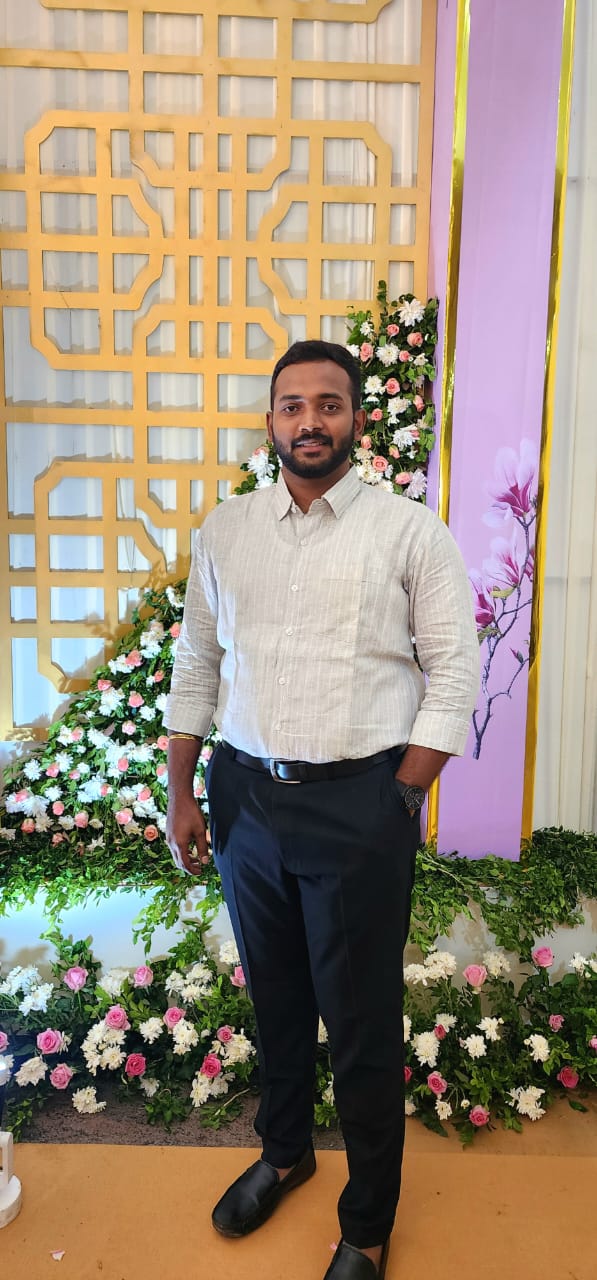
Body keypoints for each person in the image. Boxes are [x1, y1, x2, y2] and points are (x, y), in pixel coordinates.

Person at [165, 339, 479, 1280]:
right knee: (276, 998)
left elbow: (452, 672)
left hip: (359, 805)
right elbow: (197, 663)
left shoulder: (410, 533)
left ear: (356, 419)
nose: (310, 421)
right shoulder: (226, 531)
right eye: (293, 405)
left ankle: (368, 1222)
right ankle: (285, 1154)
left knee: (360, 1022)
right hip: (246, 800)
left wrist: (400, 796)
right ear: (271, 421)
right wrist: (181, 789)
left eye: (328, 404)